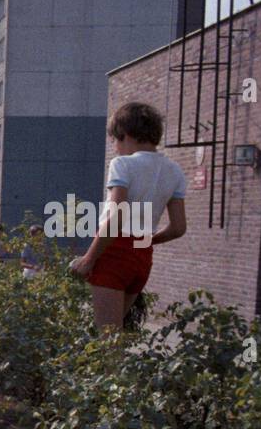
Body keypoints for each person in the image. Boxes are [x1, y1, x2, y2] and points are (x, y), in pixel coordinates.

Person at [70, 103, 187, 332]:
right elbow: (178, 228)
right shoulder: (175, 171)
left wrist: (89, 259)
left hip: (114, 252)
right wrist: (146, 241)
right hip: (143, 255)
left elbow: (116, 217)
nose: (115, 148)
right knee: (116, 333)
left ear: (126, 134)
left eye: (115, 140)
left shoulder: (123, 164)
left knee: (107, 339)